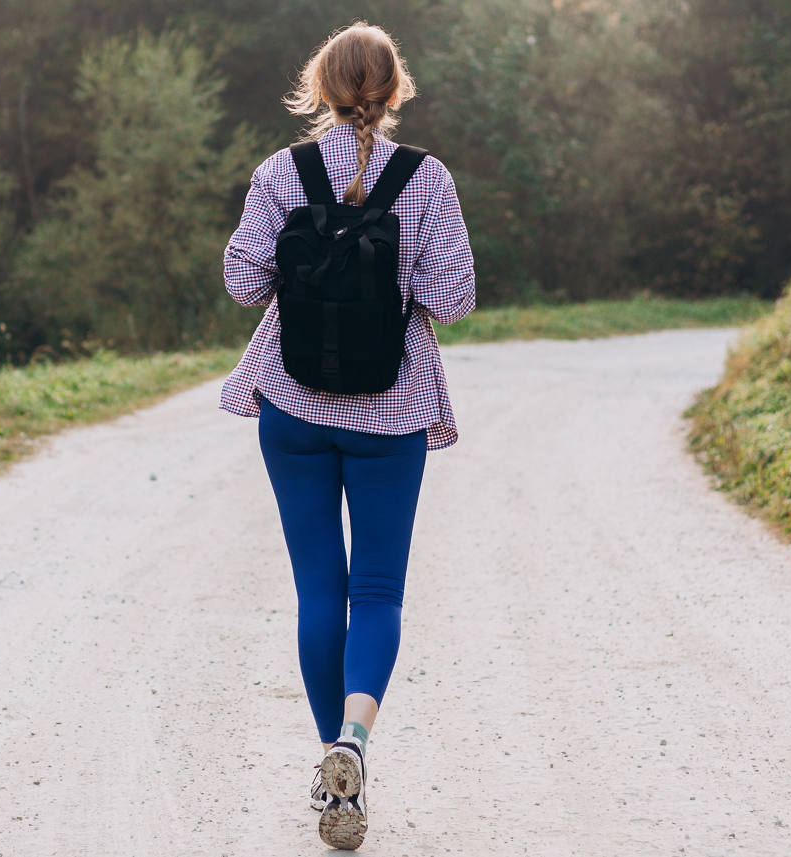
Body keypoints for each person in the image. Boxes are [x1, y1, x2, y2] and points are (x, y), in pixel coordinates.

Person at [218, 20, 477, 851]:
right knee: (378, 592)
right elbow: (455, 296)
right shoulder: (427, 181)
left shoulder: (279, 174)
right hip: (392, 409)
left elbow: (240, 279)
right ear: (395, 89)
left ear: (318, 89)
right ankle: (354, 741)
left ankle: (332, 765)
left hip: (291, 407)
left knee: (318, 591)